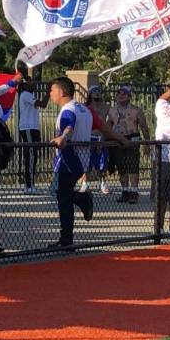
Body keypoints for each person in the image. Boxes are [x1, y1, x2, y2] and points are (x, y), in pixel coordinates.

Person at [48, 77, 126, 248]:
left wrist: (63, 137)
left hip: (68, 160)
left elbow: (69, 127)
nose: (50, 94)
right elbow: (105, 128)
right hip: (83, 161)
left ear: (62, 92)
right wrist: (122, 139)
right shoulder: (85, 109)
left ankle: (66, 238)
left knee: (63, 198)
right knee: (64, 195)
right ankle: (81, 201)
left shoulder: (68, 110)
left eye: (52, 90)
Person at [0, 72, 45, 193]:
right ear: (25, 85)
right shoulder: (26, 94)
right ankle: (29, 185)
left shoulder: (28, 94)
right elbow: (42, 104)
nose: (33, 84)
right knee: (31, 156)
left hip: (32, 128)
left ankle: (30, 184)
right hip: (28, 128)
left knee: (33, 156)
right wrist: (48, 91)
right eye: (30, 81)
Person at [107, 86, 149, 204]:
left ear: (130, 96)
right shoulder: (112, 110)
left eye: (124, 93)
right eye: (119, 93)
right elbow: (107, 127)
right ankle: (125, 191)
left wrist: (147, 143)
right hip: (118, 140)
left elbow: (144, 127)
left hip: (132, 140)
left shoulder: (136, 110)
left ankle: (134, 192)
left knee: (133, 167)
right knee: (121, 168)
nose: (121, 95)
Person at [85, 85, 112, 195]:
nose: (96, 93)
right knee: (87, 162)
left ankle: (102, 183)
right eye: (94, 91)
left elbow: (109, 123)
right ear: (90, 94)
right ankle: (84, 184)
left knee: (102, 163)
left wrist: (104, 137)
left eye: (98, 91)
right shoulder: (85, 107)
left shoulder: (106, 107)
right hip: (89, 137)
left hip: (101, 137)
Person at [153, 85, 170, 232]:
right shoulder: (162, 107)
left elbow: (162, 97)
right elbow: (162, 99)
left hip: (165, 158)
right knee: (161, 197)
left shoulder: (162, 105)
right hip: (162, 157)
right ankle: (158, 229)